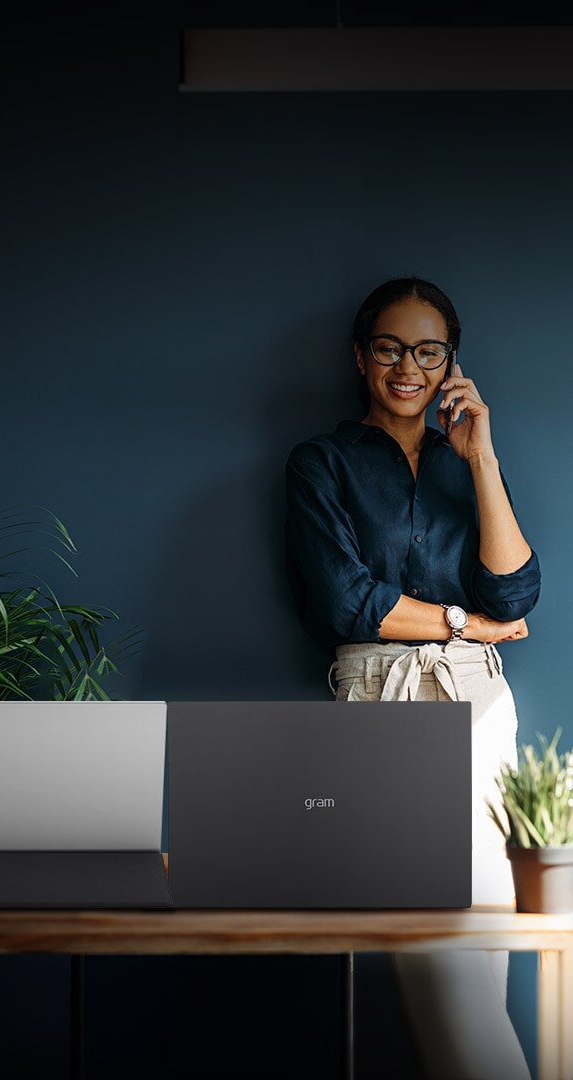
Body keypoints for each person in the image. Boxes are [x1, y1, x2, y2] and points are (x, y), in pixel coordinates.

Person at [284, 277, 541, 1080]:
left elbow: (515, 591)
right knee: (430, 945)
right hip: (383, 701)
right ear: (362, 358)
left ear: (449, 364)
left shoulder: (465, 464)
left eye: (429, 352)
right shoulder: (321, 462)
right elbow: (346, 601)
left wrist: (483, 456)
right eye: (391, 348)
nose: (410, 366)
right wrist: (466, 622)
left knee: (483, 944)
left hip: (478, 706)